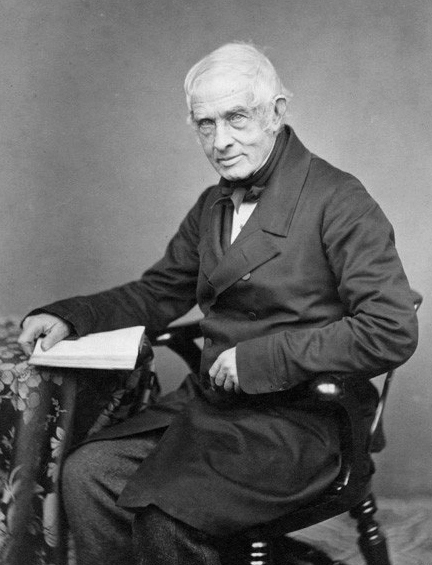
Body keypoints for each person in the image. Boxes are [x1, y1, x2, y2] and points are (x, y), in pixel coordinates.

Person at [18, 42, 418, 565]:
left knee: (168, 511)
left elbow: (390, 328)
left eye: (236, 118)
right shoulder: (213, 204)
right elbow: (158, 292)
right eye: (206, 124)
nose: (221, 141)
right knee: (88, 473)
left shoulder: (340, 200)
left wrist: (261, 358)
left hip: (305, 420)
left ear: (276, 113)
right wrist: (71, 316)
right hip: (214, 408)